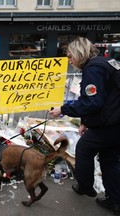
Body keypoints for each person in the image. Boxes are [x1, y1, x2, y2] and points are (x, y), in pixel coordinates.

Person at [49, 37, 120, 214]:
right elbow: (102, 98)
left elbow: (92, 102)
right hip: (114, 120)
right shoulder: (103, 63)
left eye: (70, 56)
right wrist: (85, 122)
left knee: (84, 149)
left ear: (79, 53)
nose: (69, 60)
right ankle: (116, 200)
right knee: (109, 159)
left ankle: (85, 186)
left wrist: (63, 109)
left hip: (111, 123)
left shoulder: (93, 69)